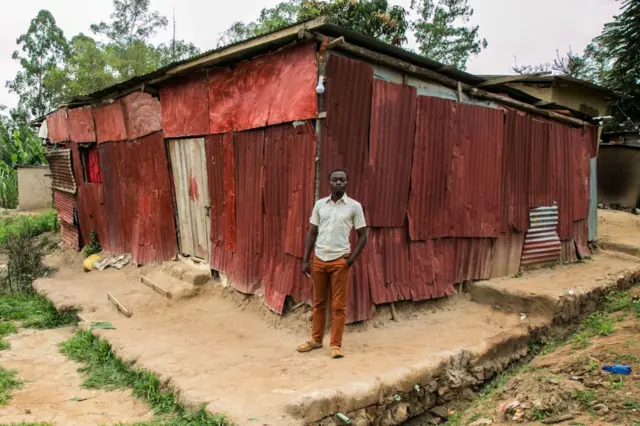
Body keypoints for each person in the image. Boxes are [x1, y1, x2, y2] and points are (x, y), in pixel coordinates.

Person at [297, 169, 369, 359]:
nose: (338, 183)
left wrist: (351, 260)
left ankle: (336, 345)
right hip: (319, 260)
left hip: (340, 262)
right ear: (329, 183)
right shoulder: (320, 205)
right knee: (319, 303)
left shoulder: (354, 207)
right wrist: (305, 260)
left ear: (347, 183)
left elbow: (364, 236)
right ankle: (315, 339)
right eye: (335, 180)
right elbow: (312, 232)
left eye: (342, 180)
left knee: (339, 306)